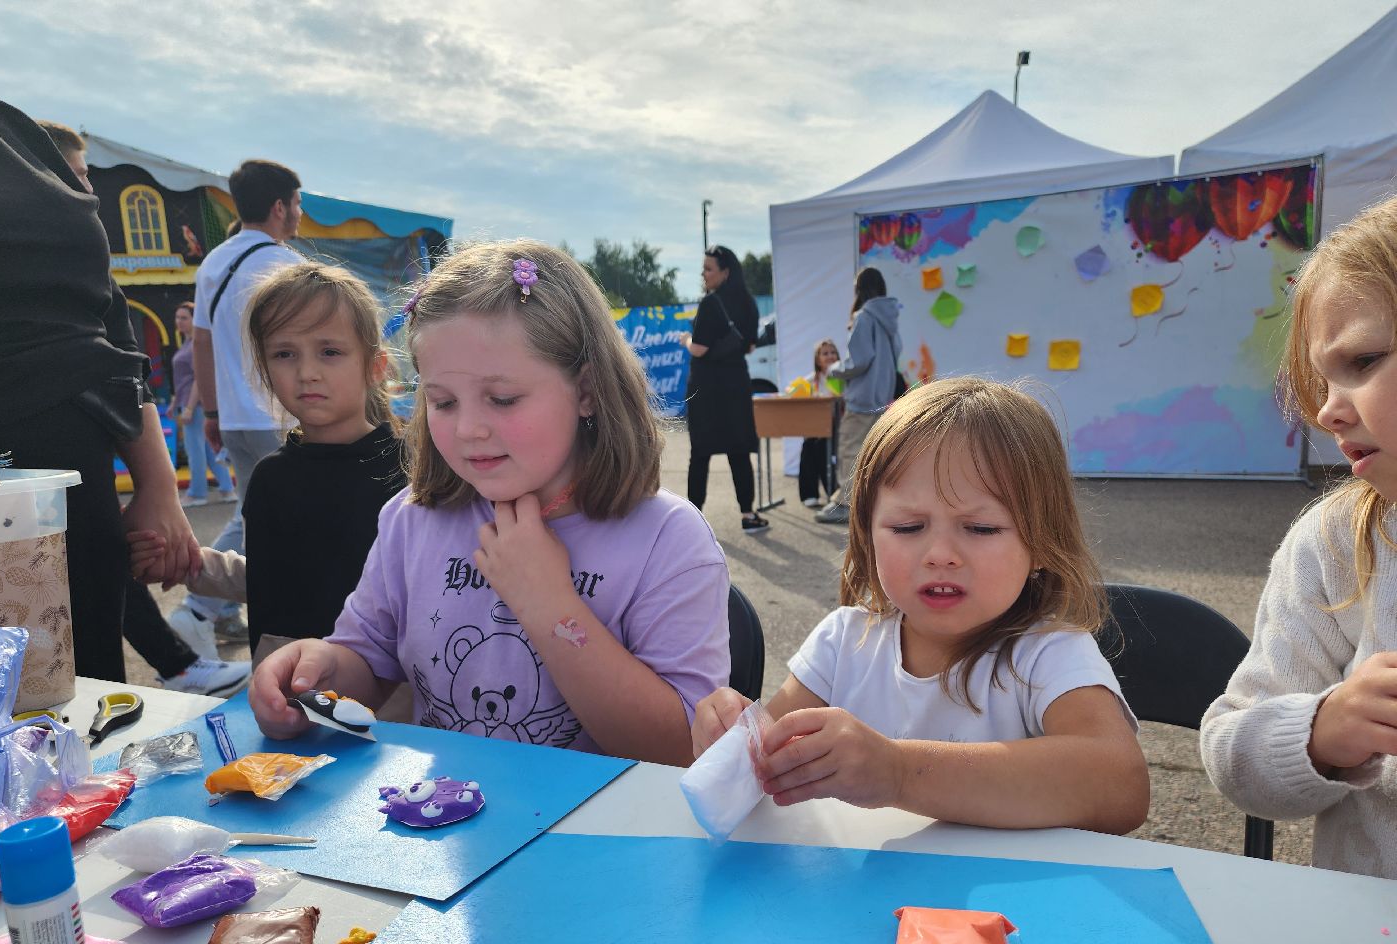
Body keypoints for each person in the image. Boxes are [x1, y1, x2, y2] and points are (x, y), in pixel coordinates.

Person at [247, 241, 731, 765]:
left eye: (502, 399)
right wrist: (315, 671)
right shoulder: (412, 520)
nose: (470, 429)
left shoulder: (667, 540)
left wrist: (550, 606)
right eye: (443, 402)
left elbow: (682, 746)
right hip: (442, 826)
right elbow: (368, 660)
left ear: (587, 389)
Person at [693, 376, 1149, 834]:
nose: (940, 554)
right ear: (866, 536)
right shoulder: (842, 642)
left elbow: (1121, 786)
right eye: (909, 527)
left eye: (981, 529)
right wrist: (735, 742)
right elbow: (774, 757)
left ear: (1043, 542)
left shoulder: (1049, 653)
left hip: (1001, 901)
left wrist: (898, 771)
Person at [0, 89, 199, 682]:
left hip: (60, 491)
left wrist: (157, 485)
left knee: (75, 717)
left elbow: (106, 321)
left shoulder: (6, 130)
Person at [1201, 196, 1397, 879]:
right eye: (1321, 377)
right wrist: (1323, 732)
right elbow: (1230, 745)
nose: (1325, 410)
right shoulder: (1337, 545)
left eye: (1364, 360)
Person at [130, 263, 407, 655]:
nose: (307, 372)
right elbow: (271, 578)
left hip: (386, 703)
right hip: (283, 697)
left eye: (330, 351)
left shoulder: (411, 472)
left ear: (375, 366)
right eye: (284, 353)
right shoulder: (270, 478)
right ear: (264, 367)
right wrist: (187, 564)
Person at [170, 158, 306, 658]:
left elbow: (201, 343)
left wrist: (211, 413)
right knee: (276, 522)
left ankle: (214, 608)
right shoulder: (288, 266)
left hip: (236, 419)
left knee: (253, 514)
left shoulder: (214, 262)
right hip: (282, 418)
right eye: (296, 203)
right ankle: (199, 609)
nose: (298, 212)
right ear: (278, 206)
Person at [679, 245, 769, 534]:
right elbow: (751, 345)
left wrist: (685, 340)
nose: (703, 274)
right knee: (739, 450)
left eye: (708, 269)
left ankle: (695, 519)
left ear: (725, 272)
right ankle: (748, 514)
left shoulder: (710, 304)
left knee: (701, 452)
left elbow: (699, 350)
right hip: (737, 385)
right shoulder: (749, 304)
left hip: (708, 389)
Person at [815, 267, 903, 526]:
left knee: (851, 451)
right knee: (874, 454)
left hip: (862, 398)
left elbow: (859, 361)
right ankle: (864, 503)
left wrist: (834, 369)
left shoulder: (864, 317)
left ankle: (845, 504)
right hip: (882, 397)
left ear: (859, 289)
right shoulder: (891, 318)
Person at [171, 301, 236, 507]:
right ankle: (227, 489)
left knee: (195, 450)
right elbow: (185, 380)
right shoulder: (187, 344)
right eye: (177, 317)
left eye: (184, 318)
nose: (179, 322)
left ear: (194, 320)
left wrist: (189, 407)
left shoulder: (194, 347)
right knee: (208, 450)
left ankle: (197, 493)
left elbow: (199, 379)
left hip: (195, 405)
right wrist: (176, 403)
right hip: (188, 402)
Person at [797, 338, 841, 508]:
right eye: (825, 353)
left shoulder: (841, 377)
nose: (830, 356)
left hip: (837, 425)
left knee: (824, 449)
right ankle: (809, 493)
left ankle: (833, 491)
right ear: (817, 359)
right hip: (816, 426)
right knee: (809, 446)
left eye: (833, 352)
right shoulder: (811, 380)